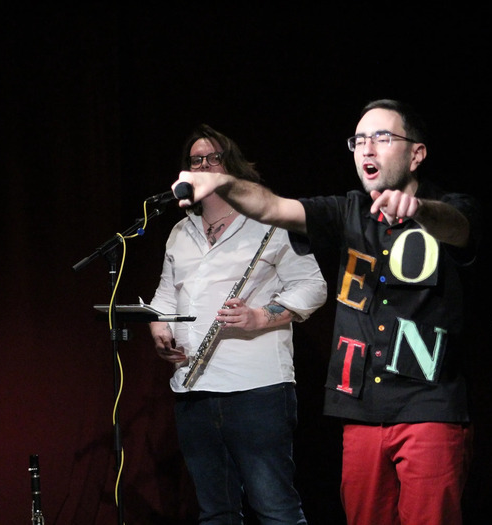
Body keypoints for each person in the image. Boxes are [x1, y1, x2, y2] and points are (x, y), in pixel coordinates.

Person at [172, 100, 482, 525]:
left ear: (417, 153)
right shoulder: (347, 210)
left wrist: (419, 210)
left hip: (428, 405)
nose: (367, 148)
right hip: (359, 408)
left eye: (382, 137)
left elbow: (457, 227)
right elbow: (270, 206)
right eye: (359, 140)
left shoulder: (451, 206)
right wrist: (222, 181)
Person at [149, 123, 327, 525]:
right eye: (197, 161)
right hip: (192, 390)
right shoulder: (180, 231)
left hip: (256, 390)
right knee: (215, 513)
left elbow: (313, 287)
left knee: (276, 510)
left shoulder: (270, 223)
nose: (206, 165)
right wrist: (159, 329)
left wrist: (259, 317)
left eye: (215, 158)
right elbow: (164, 296)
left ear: (233, 166)